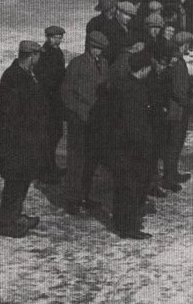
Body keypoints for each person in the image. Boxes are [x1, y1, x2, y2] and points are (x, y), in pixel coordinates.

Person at [89, 50, 156, 239]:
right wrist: (144, 146)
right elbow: (134, 124)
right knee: (131, 187)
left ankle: (121, 222)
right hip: (131, 146)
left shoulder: (120, 84)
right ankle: (129, 227)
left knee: (122, 185)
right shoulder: (135, 91)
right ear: (144, 69)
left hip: (117, 144)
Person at [0, 41, 49, 238]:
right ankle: (6, 224)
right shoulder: (14, 77)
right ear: (32, 56)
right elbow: (13, 114)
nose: (39, 60)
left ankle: (16, 216)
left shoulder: (26, 74)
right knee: (15, 183)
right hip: (16, 142)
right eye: (38, 56)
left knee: (22, 181)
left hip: (26, 140)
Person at [60, 31, 111, 215]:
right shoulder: (77, 64)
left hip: (96, 121)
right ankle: (72, 199)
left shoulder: (104, 64)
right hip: (79, 121)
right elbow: (66, 93)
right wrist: (79, 112)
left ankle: (85, 195)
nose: (98, 52)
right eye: (96, 48)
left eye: (101, 49)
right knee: (76, 161)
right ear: (89, 46)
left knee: (91, 161)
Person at [161, 32, 193, 192]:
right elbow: (177, 88)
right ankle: (168, 179)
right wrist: (187, 101)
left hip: (175, 108)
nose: (189, 47)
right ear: (184, 44)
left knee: (174, 144)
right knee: (173, 144)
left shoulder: (174, 59)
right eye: (188, 44)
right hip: (177, 110)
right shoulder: (177, 62)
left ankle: (172, 173)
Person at [36, 26, 67, 184]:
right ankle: (45, 171)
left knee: (56, 134)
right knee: (48, 137)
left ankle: (51, 166)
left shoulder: (57, 52)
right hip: (47, 101)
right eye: (55, 37)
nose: (58, 40)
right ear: (47, 37)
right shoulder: (43, 54)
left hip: (55, 100)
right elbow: (43, 79)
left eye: (60, 37)